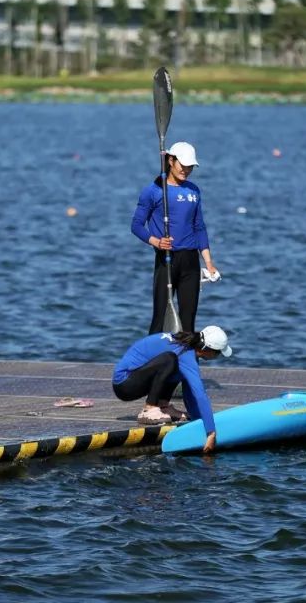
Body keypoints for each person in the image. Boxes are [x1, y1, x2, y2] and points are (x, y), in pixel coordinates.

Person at [130, 141, 219, 334]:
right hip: (166, 260)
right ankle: (153, 360)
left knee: (188, 321)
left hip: (191, 262)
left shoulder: (194, 191)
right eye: (182, 165)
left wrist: (209, 262)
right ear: (171, 160)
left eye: (190, 167)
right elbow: (136, 225)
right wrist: (156, 242)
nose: (186, 170)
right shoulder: (153, 191)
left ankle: (186, 362)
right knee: (160, 318)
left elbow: (199, 227)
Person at [112, 326, 232, 453]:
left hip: (134, 380)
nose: (218, 356)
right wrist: (211, 432)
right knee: (170, 359)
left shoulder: (186, 346)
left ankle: (163, 406)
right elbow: (199, 394)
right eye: (218, 352)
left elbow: (190, 391)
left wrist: (198, 420)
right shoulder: (185, 353)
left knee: (177, 368)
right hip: (124, 384)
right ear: (206, 349)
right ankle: (149, 409)